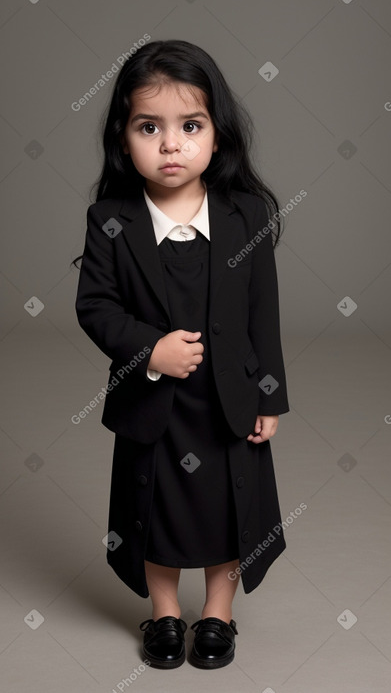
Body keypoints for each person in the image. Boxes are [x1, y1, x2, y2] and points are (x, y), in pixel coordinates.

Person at [71, 39, 290, 671]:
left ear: (217, 136)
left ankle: (218, 615)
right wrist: (150, 350)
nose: (171, 144)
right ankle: (165, 612)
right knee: (156, 510)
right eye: (150, 127)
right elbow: (96, 308)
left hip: (228, 399)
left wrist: (269, 395)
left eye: (189, 126)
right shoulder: (110, 218)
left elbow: (263, 316)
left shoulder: (244, 216)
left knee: (229, 508)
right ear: (124, 138)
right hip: (155, 401)